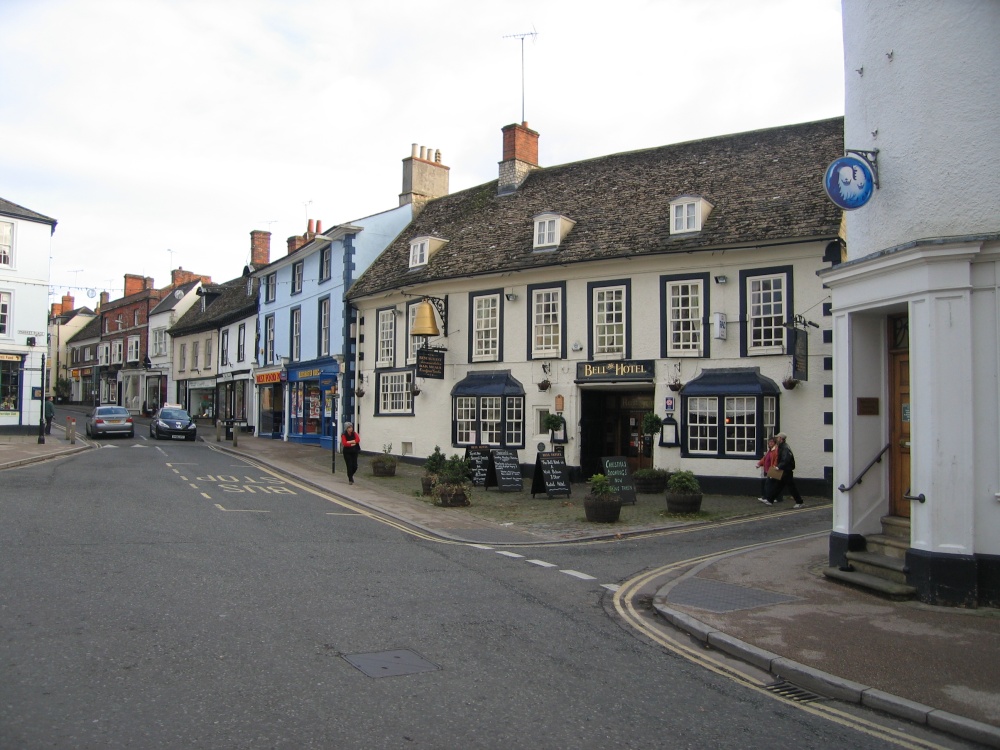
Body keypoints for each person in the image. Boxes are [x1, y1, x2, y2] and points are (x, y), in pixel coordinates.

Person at [762, 432, 804, 508]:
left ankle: (799, 502)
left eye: (777, 437)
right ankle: (770, 500)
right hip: (784, 469)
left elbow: (786, 459)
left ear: (781, 439)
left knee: (790, 487)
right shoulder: (781, 446)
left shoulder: (785, 448)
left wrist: (778, 467)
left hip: (786, 470)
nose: (776, 439)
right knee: (778, 485)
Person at [756, 436, 780, 504]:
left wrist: (774, 469)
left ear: (775, 443)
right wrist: (759, 464)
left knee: (769, 484)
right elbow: (765, 458)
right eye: (769, 442)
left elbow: (776, 460)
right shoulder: (770, 450)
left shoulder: (775, 450)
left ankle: (770, 498)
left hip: (773, 470)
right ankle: (768, 497)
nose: (770, 443)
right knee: (770, 485)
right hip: (769, 470)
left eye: (772, 442)